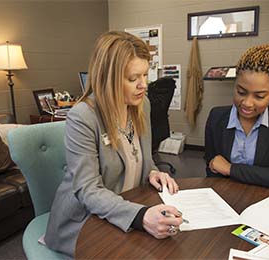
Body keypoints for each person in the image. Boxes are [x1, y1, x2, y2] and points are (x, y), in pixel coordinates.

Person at [44, 31, 183, 258]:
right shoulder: (83, 117)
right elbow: (88, 190)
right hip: (85, 219)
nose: (143, 85)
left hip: (125, 205)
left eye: (145, 75)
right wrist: (140, 216)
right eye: (132, 78)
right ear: (107, 77)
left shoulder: (142, 105)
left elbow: (142, 157)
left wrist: (153, 172)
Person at [204, 44, 269, 192]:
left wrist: (232, 169)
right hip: (227, 201)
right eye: (241, 92)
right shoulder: (216, 118)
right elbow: (213, 170)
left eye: (259, 96)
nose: (247, 103)